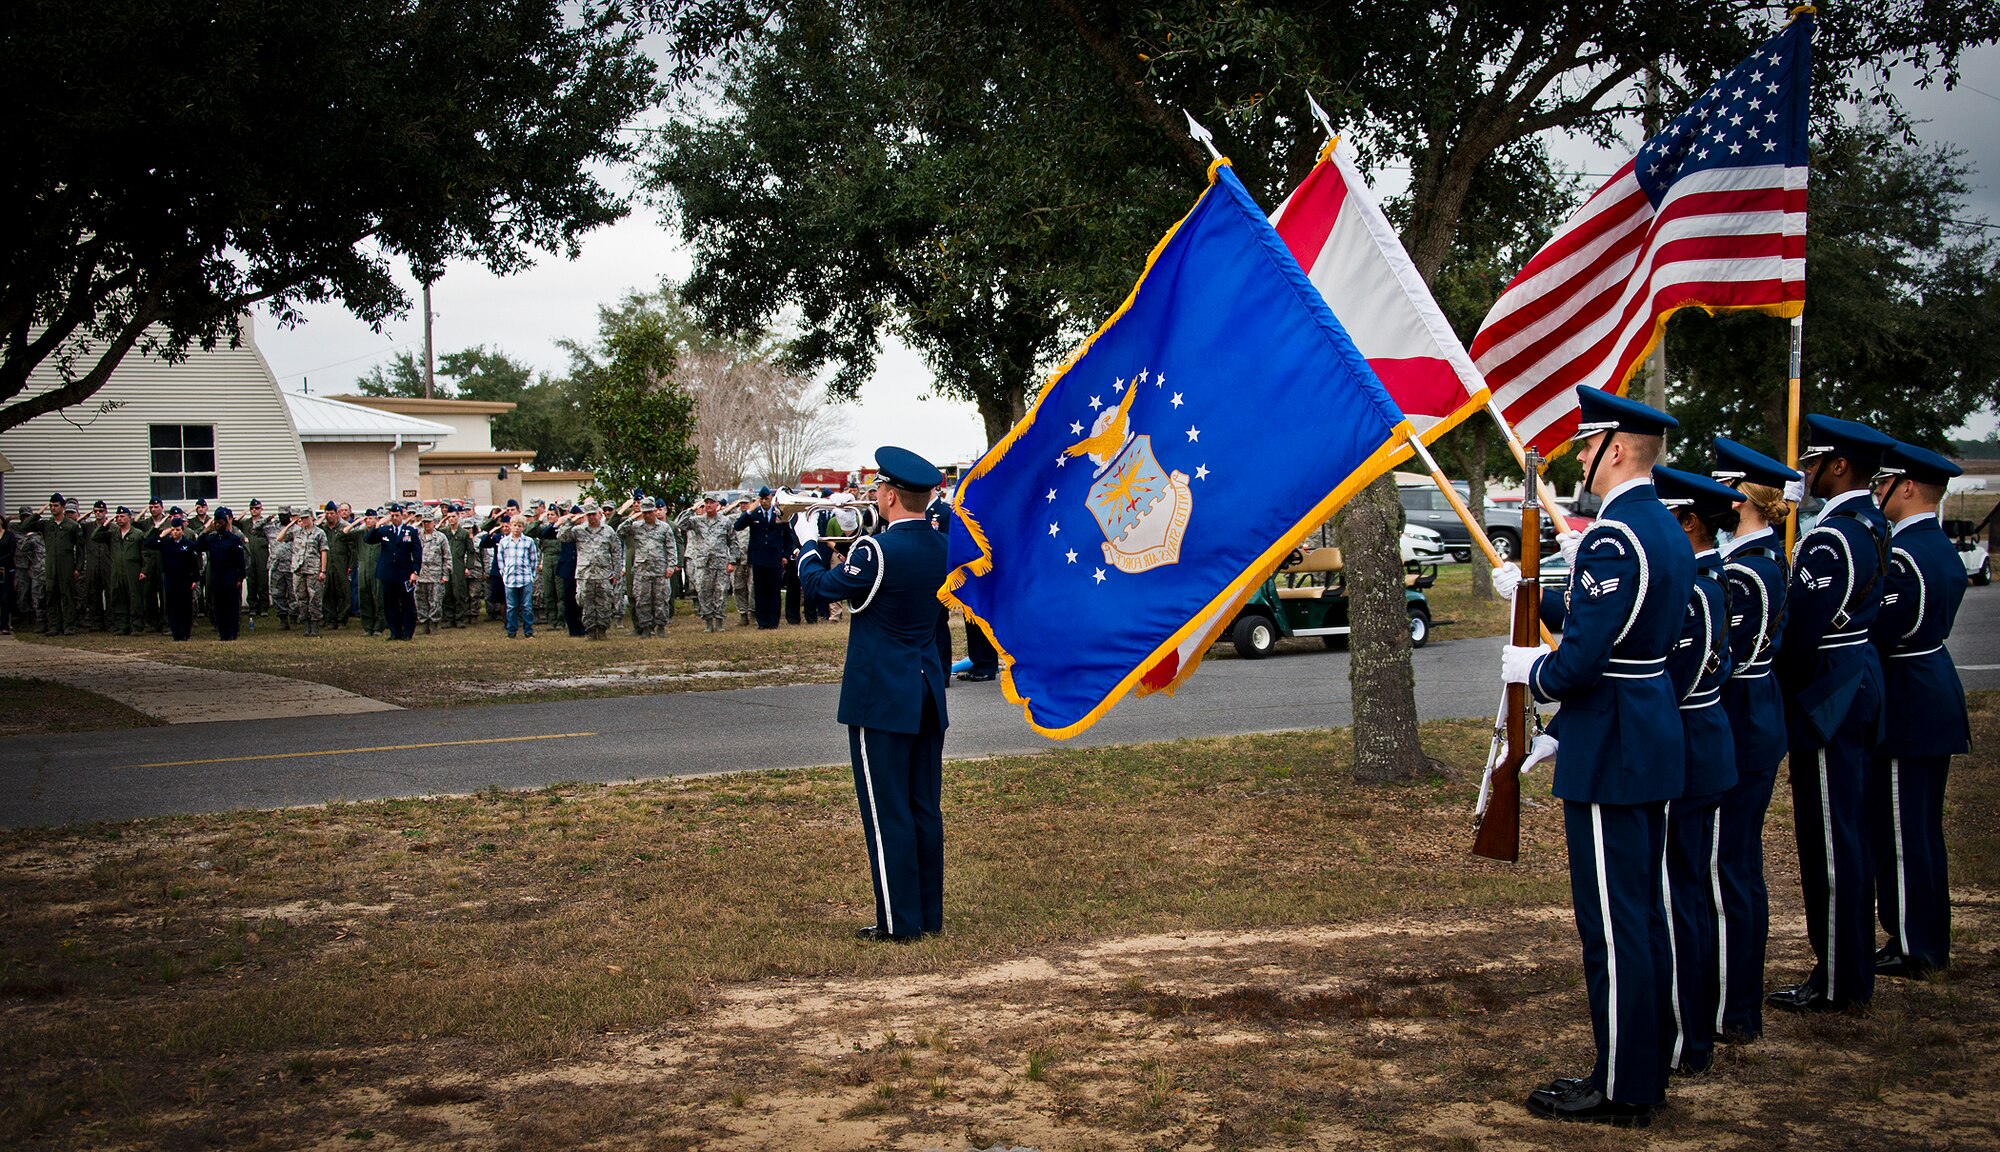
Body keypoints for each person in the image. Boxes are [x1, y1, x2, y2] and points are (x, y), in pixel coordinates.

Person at [1492, 388, 1693, 1128]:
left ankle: (1621, 1085)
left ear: (1615, 450)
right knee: (1642, 914)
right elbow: (1612, 624)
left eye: (1587, 446)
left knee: (1612, 923)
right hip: (1643, 730)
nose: (1580, 457)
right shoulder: (1662, 528)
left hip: (1614, 741)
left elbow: (1580, 664)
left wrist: (1530, 672)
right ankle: (1645, 1063)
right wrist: (1533, 597)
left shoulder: (1614, 537)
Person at [796, 447, 951, 943]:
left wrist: (808, 547)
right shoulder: (943, 545)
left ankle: (898, 924)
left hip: (882, 695)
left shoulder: (877, 550)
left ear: (887, 495)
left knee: (888, 812)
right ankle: (927, 915)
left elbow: (821, 589)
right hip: (926, 689)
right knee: (923, 805)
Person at [1768, 414, 1895, 1015]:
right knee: (1850, 829)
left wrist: (1783, 690)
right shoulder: (1871, 523)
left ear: (1838, 465)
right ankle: (1850, 965)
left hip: (1829, 692)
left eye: (1813, 462)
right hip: (1858, 678)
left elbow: (1801, 638)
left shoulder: (1831, 537)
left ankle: (1841, 975)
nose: (1804, 474)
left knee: (1831, 839)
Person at [1652, 465, 1744, 1078]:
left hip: (1685, 749)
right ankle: (1697, 1025)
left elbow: (1670, 680)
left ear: (1689, 522)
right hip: (1705, 743)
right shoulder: (1709, 581)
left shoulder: (1695, 588)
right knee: (1689, 892)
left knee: (1680, 894)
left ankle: (1688, 1037)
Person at [1867, 440, 1970, 981]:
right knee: (1919, 829)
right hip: (1928, 690)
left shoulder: (1906, 553)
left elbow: (1885, 628)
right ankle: (1921, 934)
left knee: (1905, 832)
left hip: (1911, 696)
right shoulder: (1934, 545)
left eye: (1883, 483)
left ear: (1906, 487)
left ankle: (1914, 943)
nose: (1876, 491)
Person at [1709, 438, 1800, 1045]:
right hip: (1753, 719)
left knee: (1727, 869)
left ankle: (1730, 1005)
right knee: (1735, 865)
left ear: (1745, 496)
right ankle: (1733, 1001)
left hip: (1741, 723)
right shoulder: (1754, 558)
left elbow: (1727, 660)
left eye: (1724, 485)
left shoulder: (1751, 568)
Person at [615, 496, 680, 638]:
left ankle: (661, 626)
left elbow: (671, 547)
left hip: (660, 569)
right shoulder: (636, 527)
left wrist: (671, 566)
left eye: (650, 512)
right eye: (644, 513)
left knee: (661, 599)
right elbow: (619, 532)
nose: (647, 515)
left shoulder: (664, 527)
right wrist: (633, 518)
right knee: (642, 600)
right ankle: (645, 627)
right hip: (641, 570)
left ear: (655, 511)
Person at [559, 500, 623, 641]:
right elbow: (562, 537)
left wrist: (617, 573)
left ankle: (602, 630)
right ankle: (590, 630)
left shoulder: (608, 531)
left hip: (603, 574)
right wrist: (571, 521)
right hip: (585, 574)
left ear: (599, 514)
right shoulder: (578, 530)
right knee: (586, 604)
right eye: (589, 515)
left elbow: (616, 552)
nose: (592, 517)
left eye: (594, 514)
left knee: (604, 603)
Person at [678, 495, 741, 632]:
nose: (708, 505)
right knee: (703, 592)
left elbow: (733, 543)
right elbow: (680, 524)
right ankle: (707, 622)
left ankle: (719, 623)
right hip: (703, 563)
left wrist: (732, 561)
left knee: (720, 592)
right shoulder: (697, 521)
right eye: (706, 503)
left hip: (720, 563)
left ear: (717, 504)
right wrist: (692, 509)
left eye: (711, 502)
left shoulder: (725, 522)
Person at [735, 487, 796, 630]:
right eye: (761, 499)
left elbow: (788, 537)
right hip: (759, 557)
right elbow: (738, 526)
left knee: (774, 590)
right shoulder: (754, 514)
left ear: (771, 499)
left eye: (766, 499)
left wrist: (786, 555)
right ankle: (762, 621)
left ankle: (773, 621)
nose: (764, 502)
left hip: (774, 557)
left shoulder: (779, 514)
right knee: (760, 590)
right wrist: (749, 510)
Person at [24, 495, 84, 636]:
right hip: (51, 565)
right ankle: (54, 626)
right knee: (51, 596)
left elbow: (81, 549)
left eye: (56, 505)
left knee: (68, 596)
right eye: (51, 506)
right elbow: (24, 526)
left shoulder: (72, 526)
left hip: (66, 565)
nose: (53, 508)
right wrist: (38, 513)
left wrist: (78, 568)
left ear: (62, 507)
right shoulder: (47, 524)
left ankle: (69, 626)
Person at [144, 515, 203, 641]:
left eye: (178, 530)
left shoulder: (188, 544)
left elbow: (194, 563)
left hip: (185, 579)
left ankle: (185, 632)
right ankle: (176, 632)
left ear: (182, 530)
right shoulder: (166, 543)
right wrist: (160, 534)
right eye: (173, 529)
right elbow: (148, 543)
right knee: (172, 606)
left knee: (185, 606)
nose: (175, 532)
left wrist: (195, 579)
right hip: (170, 578)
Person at [369, 504, 423, 641]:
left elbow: (417, 554)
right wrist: (377, 525)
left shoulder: (410, 531)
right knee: (389, 604)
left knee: (407, 604)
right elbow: (369, 540)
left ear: (402, 515)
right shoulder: (385, 530)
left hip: (404, 573)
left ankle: (407, 632)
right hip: (388, 573)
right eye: (392, 516)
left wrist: (415, 571)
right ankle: (394, 631)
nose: (394, 518)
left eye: (397, 515)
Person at [196, 508, 249, 641]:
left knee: (231, 606)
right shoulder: (212, 538)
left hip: (230, 577)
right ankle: (222, 631)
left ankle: (232, 631)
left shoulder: (233, 539)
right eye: (216, 523)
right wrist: (205, 531)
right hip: (216, 576)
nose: (218, 525)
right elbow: (197, 547)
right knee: (218, 606)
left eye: (220, 522)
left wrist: (240, 577)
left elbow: (240, 560)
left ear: (226, 523)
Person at [98, 506, 150, 636]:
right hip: (117, 571)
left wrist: (144, 570)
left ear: (129, 517)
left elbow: (145, 553)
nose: (119, 519)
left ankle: (136, 626)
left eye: (122, 516)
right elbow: (96, 537)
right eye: (117, 517)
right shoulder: (113, 533)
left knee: (134, 598)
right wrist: (105, 524)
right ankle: (122, 626)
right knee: (118, 598)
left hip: (132, 570)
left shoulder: (137, 534)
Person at [284, 507, 330, 637]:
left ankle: (315, 624)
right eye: (301, 518)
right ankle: (306, 624)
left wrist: (323, 570)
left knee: (314, 597)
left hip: (313, 569)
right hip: (298, 569)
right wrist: (292, 524)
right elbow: (280, 538)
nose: (303, 520)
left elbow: (324, 552)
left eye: (306, 518)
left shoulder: (319, 533)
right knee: (301, 597)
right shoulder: (297, 532)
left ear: (312, 518)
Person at [493, 514, 542, 638]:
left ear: (523, 527)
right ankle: (512, 631)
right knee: (511, 607)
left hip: (525, 578)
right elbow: (500, 560)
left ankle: (528, 631)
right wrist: (504, 574)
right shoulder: (504, 542)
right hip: (510, 579)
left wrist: (531, 575)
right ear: (510, 526)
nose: (516, 528)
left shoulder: (528, 541)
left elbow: (533, 559)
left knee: (527, 606)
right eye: (514, 525)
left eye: (519, 526)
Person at [413, 509, 454, 634]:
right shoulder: (417, 537)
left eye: (428, 522)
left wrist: (445, 574)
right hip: (420, 574)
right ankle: (424, 624)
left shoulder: (441, 537)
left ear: (434, 522)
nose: (426, 525)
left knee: (435, 601)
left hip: (436, 575)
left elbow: (447, 557)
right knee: (420, 600)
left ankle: (434, 624)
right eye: (424, 522)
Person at [350, 510, 385, 636]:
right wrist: (358, 522)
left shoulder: (381, 532)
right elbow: (344, 534)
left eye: (371, 518)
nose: (368, 521)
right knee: (364, 598)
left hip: (377, 568)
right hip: (363, 568)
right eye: (367, 519)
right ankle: (367, 626)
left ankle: (379, 627)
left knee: (378, 598)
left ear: (376, 519)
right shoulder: (360, 533)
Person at [319, 502, 353, 629]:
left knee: (343, 592)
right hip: (327, 564)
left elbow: (352, 547)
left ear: (337, 513)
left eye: (331, 513)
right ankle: (330, 619)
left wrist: (351, 564)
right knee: (328, 592)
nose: (329, 516)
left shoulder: (344, 527)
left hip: (341, 563)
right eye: (327, 513)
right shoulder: (323, 529)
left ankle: (342, 619)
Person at [81, 500, 113, 631]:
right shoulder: (88, 527)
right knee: (93, 594)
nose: (98, 514)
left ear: (106, 512)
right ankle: (96, 622)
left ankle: (111, 622)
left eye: (100, 511)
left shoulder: (113, 527)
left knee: (110, 595)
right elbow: (74, 524)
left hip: (108, 563)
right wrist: (86, 515)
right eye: (95, 511)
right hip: (93, 564)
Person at [266, 507, 294, 629]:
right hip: (276, 565)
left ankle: (294, 617)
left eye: (285, 515)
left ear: (289, 515)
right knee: (277, 593)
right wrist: (267, 519)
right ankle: (283, 618)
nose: (282, 517)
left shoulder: (296, 529)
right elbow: (254, 529)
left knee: (294, 594)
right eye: (280, 515)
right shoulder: (272, 528)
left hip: (292, 566)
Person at [242, 499, 270, 622]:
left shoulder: (266, 523)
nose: (254, 510)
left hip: (262, 553)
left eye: (257, 508)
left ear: (261, 509)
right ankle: (253, 606)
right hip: (249, 555)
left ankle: (264, 607)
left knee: (262, 580)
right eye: (252, 508)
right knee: (251, 580)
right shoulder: (246, 523)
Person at [730, 497, 755, 626]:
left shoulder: (755, 516)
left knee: (753, 587)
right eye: (741, 503)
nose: (743, 505)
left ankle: (754, 613)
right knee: (738, 587)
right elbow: (721, 516)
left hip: (752, 558)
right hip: (738, 558)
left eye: (746, 503)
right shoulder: (734, 518)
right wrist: (730, 506)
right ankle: (743, 614)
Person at [0, 515, 17, 635]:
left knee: (5, 597)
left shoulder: (9, 535)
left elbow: (11, 552)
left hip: (6, 569)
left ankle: (5, 625)